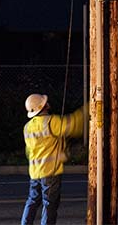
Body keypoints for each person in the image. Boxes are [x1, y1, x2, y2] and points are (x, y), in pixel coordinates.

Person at [21, 93, 85, 225]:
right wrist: (89, 109)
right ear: (43, 106)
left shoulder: (27, 127)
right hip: (50, 172)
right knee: (49, 204)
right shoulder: (51, 121)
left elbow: (29, 151)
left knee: (32, 201)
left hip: (34, 172)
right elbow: (74, 125)